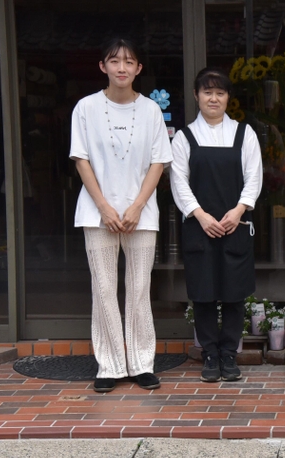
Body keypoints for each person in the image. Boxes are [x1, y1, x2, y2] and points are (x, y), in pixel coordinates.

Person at [70, 38, 172, 393]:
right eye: (114, 61)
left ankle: (142, 363)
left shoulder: (151, 111)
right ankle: (110, 365)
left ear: (139, 69)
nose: (122, 68)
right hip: (97, 212)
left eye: (129, 62)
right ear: (103, 67)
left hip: (140, 213)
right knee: (104, 288)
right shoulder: (85, 108)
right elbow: (81, 159)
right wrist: (104, 207)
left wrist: (136, 206)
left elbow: (159, 162)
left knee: (140, 288)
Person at [170, 67, 262, 383]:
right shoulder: (184, 138)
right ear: (196, 96)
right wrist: (199, 214)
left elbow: (254, 177)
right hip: (200, 226)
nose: (213, 98)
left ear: (228, 98)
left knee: (235, 293)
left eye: (220, 92)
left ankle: (228, 353)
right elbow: (178, 181)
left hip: (235, 223)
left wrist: (238, 211)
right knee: (204, 293)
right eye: (207, 92)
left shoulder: (244, 133)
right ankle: (210, 353)